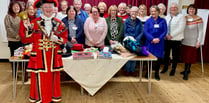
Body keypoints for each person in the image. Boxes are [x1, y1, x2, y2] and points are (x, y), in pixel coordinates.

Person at [22, 0, 68, 102]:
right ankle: (39, 98)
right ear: (41, 8)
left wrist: (56, 39)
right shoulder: (34, 22)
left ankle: (52, 97)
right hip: (39, 56)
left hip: (53, 56)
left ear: (54, 9)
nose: (48, 9)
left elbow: (64, 38)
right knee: (39, 76)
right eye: (45, 7)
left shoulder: (59, 23)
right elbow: (27, 39)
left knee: (53, 77)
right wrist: (27, 28)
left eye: (50, 7)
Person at [161, 3, 186, 76]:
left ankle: (173, 69)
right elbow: (164, 27)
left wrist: (171, 35)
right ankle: (165, 68)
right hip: (167, 39)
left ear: (177, 8)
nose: (173, 8)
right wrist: (166, 35)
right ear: (169, 9)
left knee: (175, 55)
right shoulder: (167, 17)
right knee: (166, 55)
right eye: (172, 7)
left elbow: (181, 28)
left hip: (176, 39)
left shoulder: (181, 17)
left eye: (175, 7)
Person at [179, 4, 203, 80]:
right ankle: (187, 69)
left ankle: (186, 72)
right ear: (188, 10)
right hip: (184, 41)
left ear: (195, 10)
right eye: (190, 9)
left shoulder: (199, 19)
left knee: (189, 57)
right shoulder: (184, 18)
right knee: (185, 56)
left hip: (193, 42)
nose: (191, 10)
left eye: (193, 9)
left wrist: (198, 41)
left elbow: (201, 31)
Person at [144, 5, 167, 80]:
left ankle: (156, 73)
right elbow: (145, 31)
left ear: (158, 12)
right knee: (149, 58)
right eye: (152, 11)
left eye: (155, 11)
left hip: (159, 43)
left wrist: (159, 39)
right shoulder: (148, 21)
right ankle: (148, 72)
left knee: (158, 59)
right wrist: (152, 39)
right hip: (150, 42)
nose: (153, 12)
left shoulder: (163, 21)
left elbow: (165, 31)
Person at [4, 1, 22, 77]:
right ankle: (14, 73)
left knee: (21, 57)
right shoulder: (8, 16)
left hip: (21, 40)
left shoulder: (22, 16)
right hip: (13, 40)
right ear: (11, 7)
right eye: (14, 6)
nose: (16, 8)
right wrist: (17, 35)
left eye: (17, 6)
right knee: (14, 57)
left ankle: (22, 73)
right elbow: (8, 28)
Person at [123, 6, 143, 76]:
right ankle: (127, 70)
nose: (134, 13)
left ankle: (132, 70)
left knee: (134, 56)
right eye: (133, 12)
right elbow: (124, 32)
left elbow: (141, 32)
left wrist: (136, 39)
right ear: (130, 12)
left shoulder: (139, 21)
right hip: (128, 42)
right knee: (128, 56)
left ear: (137, 13)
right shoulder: (126, 21)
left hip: (137, 42)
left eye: (135, 12)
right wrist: (129, 39)